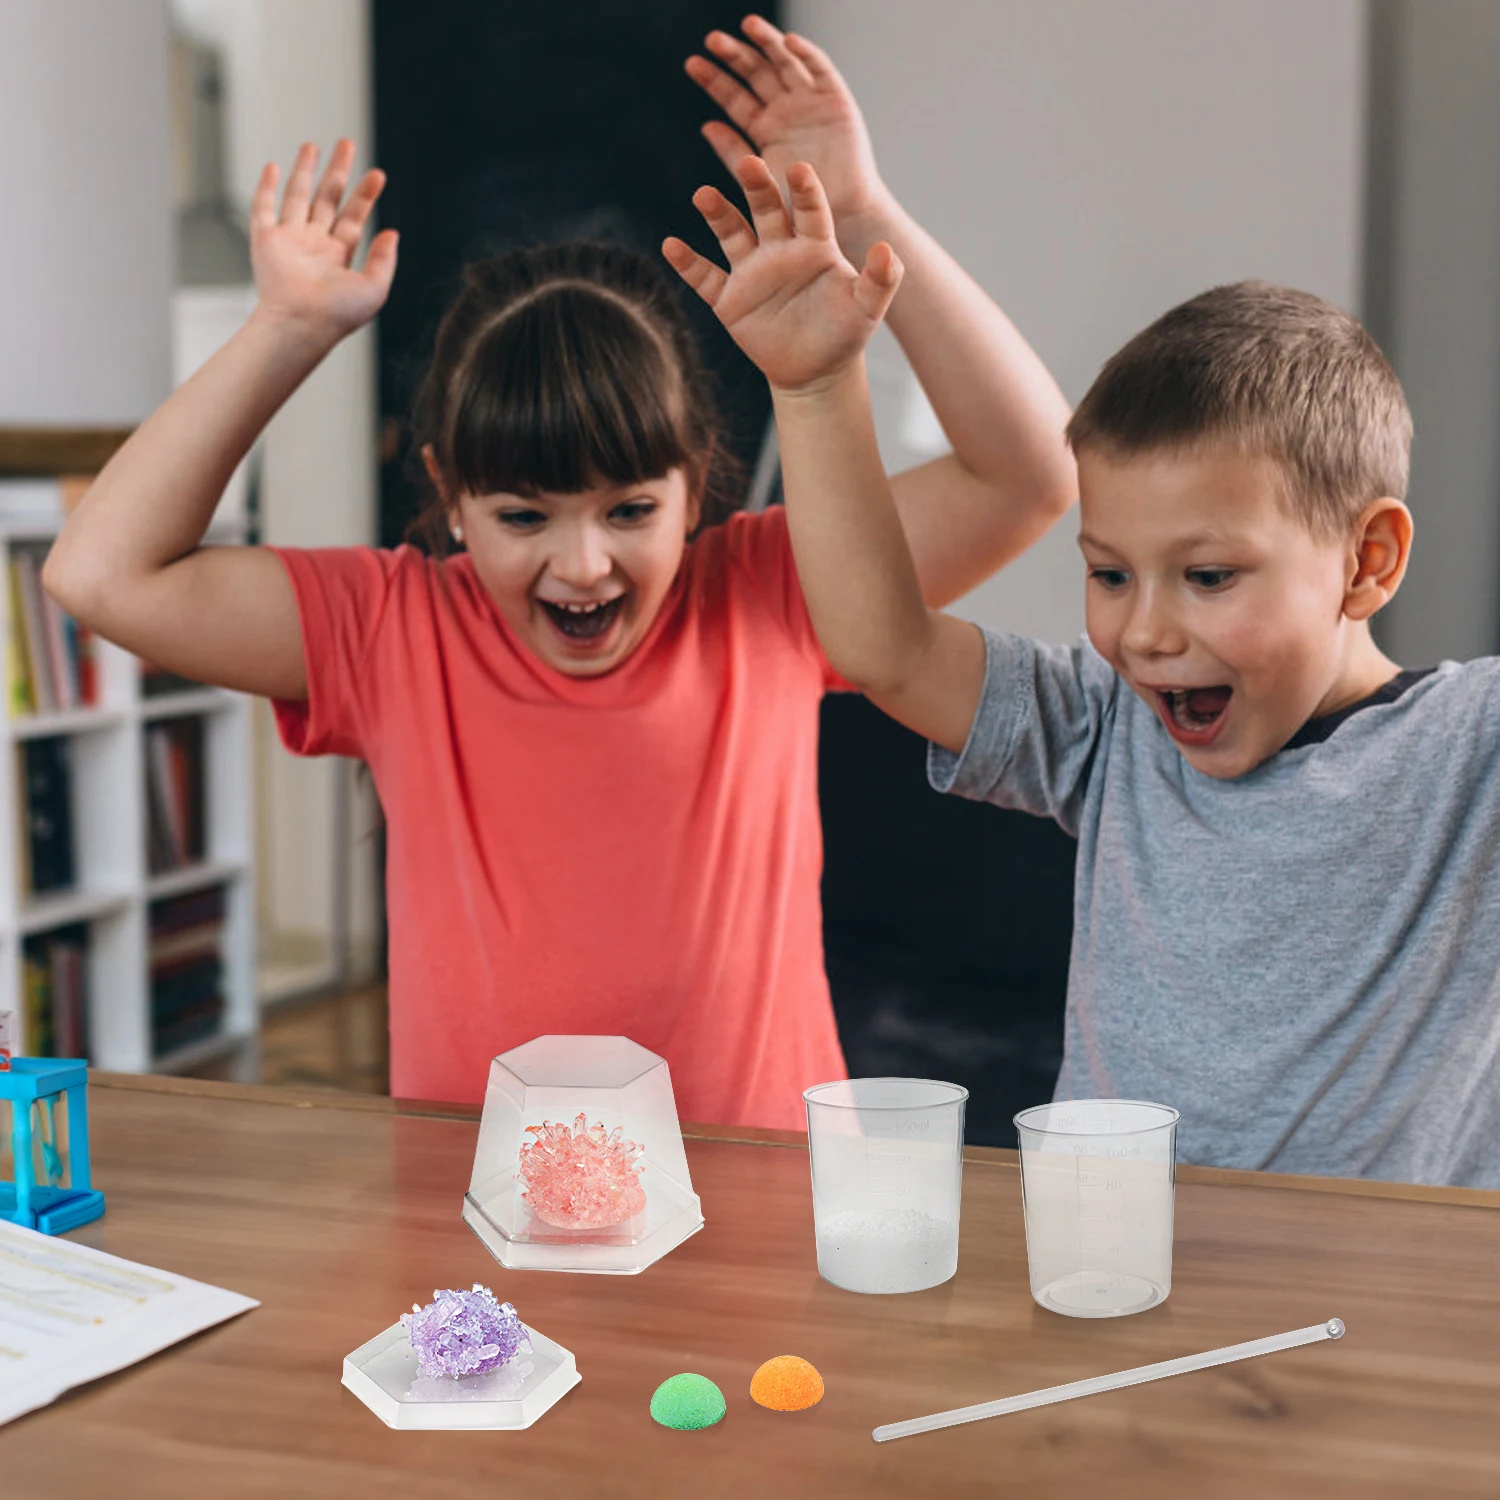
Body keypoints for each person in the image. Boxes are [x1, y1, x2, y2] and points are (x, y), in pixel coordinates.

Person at [43, 19, 1075, 1128]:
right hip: (482, 1223)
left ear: (694, 484)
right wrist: (287, 329)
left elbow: (1033, 474)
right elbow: (100, 573)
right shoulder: (392, 622)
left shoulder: (773, 585)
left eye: (631, 510)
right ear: (449, 494)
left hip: (760, 1216)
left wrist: (866, 212)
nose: (583, 566)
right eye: (524, 515)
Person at [670, 152, 1500, 1186]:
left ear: (1367, 562)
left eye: (1206, 575)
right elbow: (885, 647)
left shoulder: (1471, 753)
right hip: (1114, 1273)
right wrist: (815, 385)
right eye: (1109, 574)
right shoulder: (1113, 727)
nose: (1145, 632)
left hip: (1381, 1322)